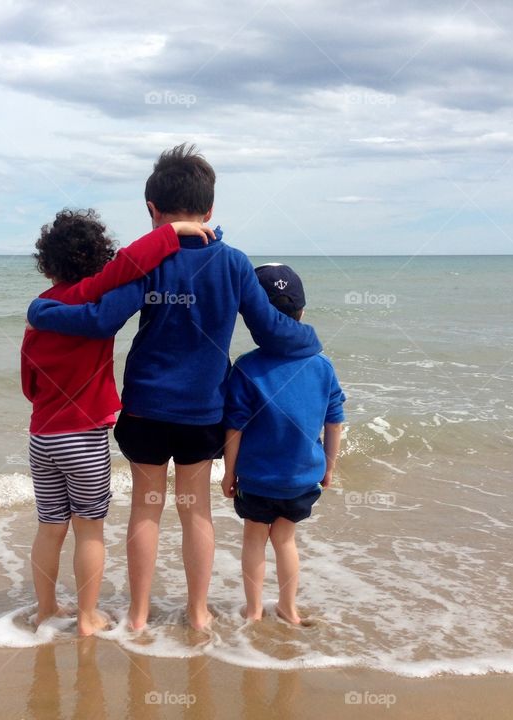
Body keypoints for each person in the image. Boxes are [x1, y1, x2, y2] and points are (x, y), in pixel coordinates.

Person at [26, 145, 323, 631]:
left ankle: (139, 616)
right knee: (195, 512)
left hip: (145, 407)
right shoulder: (233, 263)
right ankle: (199, 613)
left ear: (152, 212)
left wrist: (42, 311)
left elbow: (101, 320)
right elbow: (269, 329)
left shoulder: (150, 261)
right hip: (203, 412)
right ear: (209, 211)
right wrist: (310, 339)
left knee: (146, 510)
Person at [21, 207, 214, 636]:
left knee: (50, 527)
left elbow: (28, 383)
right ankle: (88, 617)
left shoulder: (41, 309)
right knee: (89, 531)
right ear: (98, 261)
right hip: (84, 437)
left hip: (42, 437)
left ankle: (46, 609)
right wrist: (175, 234)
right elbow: (130, 267)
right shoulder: (98, 295)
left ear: (47, 263)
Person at [221, 263, 345, 625]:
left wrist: (229, 472)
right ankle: (288, 607)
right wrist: (329, 465)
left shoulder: (247, 367)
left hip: (258, 479)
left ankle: (254, 610)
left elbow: (234, 426)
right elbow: (335, 418)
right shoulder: (322, 366)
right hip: (301, 479)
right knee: (285, 541)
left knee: (254, 540)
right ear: (302, 312)